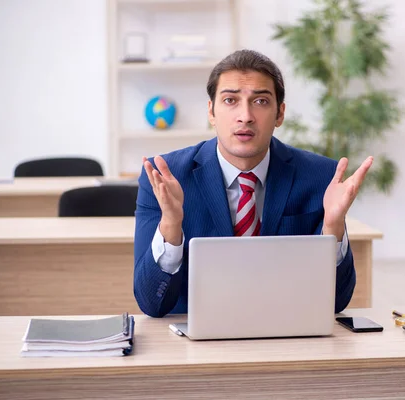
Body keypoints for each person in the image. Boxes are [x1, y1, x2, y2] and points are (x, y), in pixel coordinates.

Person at [133, 49, 373, 318]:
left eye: (260, 101)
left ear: (280, 114)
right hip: (197, 336)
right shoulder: (166, 176)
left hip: (287, 332)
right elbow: (151, 304)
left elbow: (336, 302)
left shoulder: (319, 176)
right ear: (211, 112)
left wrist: (333, 226)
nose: (245, 116)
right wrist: (171, 224)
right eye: (230, 100)